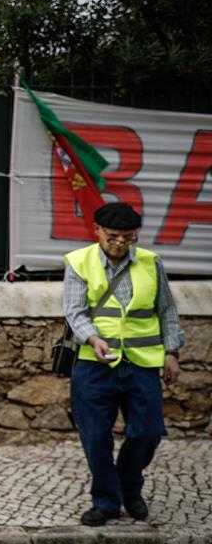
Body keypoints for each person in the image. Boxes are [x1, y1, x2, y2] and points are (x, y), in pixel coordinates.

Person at [63, 201, 184, 527]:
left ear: (135, 236)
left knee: (147, 433)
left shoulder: (150, 263)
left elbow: (166, 310)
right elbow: (74, 312)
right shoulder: (79, 262)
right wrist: (92, 338)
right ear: (97, 231)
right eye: (112, 235)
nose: (119, 242)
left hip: (142, 364)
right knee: (95, 436)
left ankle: (129, 486)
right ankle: (107, 502)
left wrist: (171, 352)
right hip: (94, 365)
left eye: (127, 237)